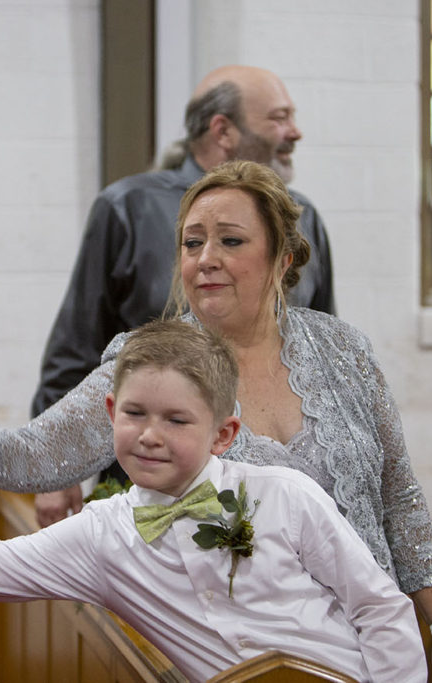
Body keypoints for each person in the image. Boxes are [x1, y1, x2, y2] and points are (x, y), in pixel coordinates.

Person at [0, 160, 432, 682]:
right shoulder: (157, 367)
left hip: (380, 647)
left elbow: (399, 493)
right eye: (191, 242)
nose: (206, 259)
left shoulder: (343, 349)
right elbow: (30, 456)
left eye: (230, 241)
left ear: (282, 256)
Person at [0, 320, 427, 682]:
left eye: (176, 420)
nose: (149, 435)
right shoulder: (101, 538)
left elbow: (378, 607)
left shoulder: (285, 495)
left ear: (223, 434)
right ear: (112, 411)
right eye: (136, 413)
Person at [33, 64, 336, 525]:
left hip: (286, 504)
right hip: (157, 489)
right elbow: (75, 346)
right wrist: (55, 469)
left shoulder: (302, 216)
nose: (294, 131)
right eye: (278, 117)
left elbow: (323, 356)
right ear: (223, 130)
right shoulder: (128, 208)